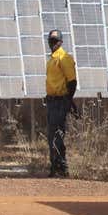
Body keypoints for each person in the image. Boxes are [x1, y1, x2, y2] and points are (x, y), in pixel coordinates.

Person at [42, 30, 79, 178]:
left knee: (57, 134)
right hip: (52, 101)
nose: (53, 43)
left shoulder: (64, 58)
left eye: (55, 41)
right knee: (52, 135)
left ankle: (60, 167)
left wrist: (69, 101)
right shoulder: (52, 59)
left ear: (61, 42)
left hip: (60, 101)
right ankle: (56, 166)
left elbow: (72, 81)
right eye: (51, 40)